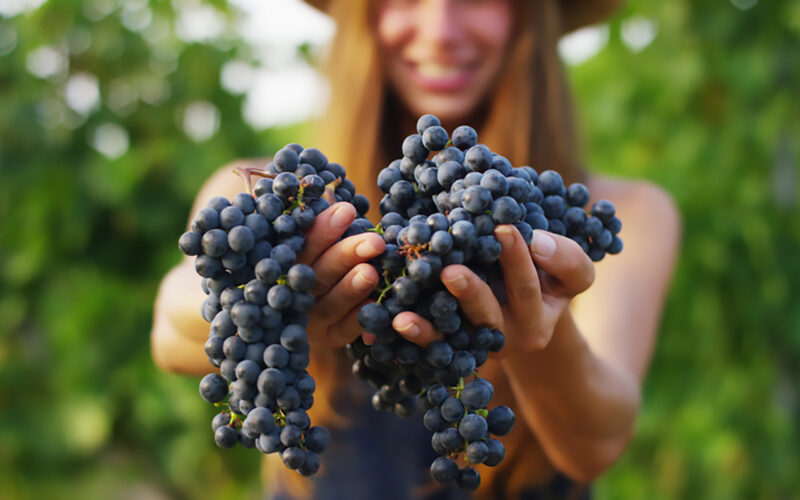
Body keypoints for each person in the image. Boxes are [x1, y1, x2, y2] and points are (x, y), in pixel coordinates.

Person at [151, 0, 681, 498]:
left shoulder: (611, 216)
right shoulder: (270, 195)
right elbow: (171, 331)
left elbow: (596, 446)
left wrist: (531, 321)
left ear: (529, 14)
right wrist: (282, 297)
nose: (440, 31)